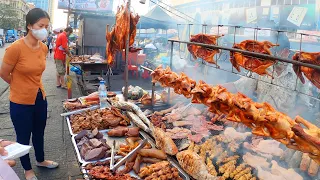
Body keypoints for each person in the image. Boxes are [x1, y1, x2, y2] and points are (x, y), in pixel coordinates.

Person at [0, 8, 58, 180]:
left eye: (47, 26)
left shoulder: (43, 48)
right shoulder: (15, 48)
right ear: (29, 26)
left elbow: (38, 73)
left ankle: (40, 160)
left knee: (39, 132)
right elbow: (3, 73)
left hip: (40, 97)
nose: (44, 29)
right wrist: (18, 85)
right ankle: (27, 169)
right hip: (20, 101)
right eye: (41, 25)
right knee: (23, 137)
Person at [224, 34, 311, 117]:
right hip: (261, 120)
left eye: (273, 52)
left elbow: (303, 104)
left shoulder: (298, 75)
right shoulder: (261, 69)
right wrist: (214, 88)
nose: (269, 55)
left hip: (283, 125)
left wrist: (288, 118)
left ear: (286, 52)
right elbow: (238, 86)